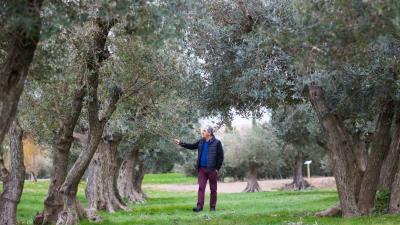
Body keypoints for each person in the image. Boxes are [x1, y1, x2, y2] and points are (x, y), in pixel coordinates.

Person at [174, 126, 224, 212]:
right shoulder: (201, 141)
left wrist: (217, 169)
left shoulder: (217, 143)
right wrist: (180, 143)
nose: (202, 132)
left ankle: (212, 207)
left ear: (209, 133)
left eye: (204, 131)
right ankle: (199, 207)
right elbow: (192, 146)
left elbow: (221, 157)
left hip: (212, 170)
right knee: (201, 188)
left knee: (213, 189)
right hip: (202, 169)